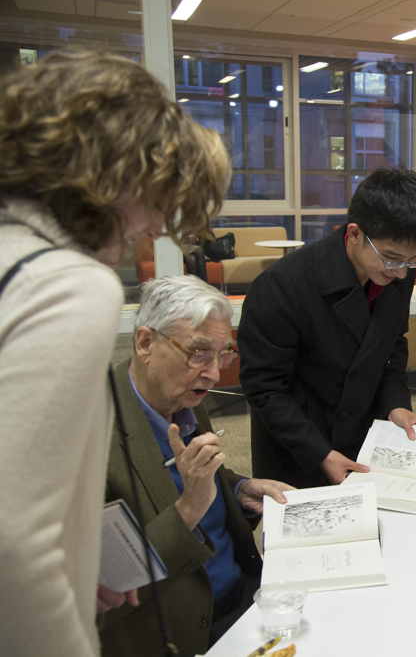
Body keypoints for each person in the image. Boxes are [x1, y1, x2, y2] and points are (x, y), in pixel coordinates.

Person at [0, 50, 228, 657]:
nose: (154, 227)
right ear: (117, 175)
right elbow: (16, 542)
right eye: (159, 197)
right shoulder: (65, 282)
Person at [99, 276, 293, 656]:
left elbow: (192, 477)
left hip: (244, 595)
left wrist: (237, 490)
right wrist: (188, 509)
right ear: (144, 343)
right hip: (175, 630)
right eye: (199, 351)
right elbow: (103, 586)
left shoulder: (181, 391)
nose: (215, 373)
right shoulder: (91, 433)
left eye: (224, 353)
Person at [240, 168, 416, 488]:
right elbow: (265, 388)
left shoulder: (398, 271)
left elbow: (392, 345)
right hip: (299, 444)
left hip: (363, 436)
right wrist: (320, 453)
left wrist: (396, 403)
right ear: (356, 233)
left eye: (413, 260)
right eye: (391, 258)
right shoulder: (282, 285)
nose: (401, 272)